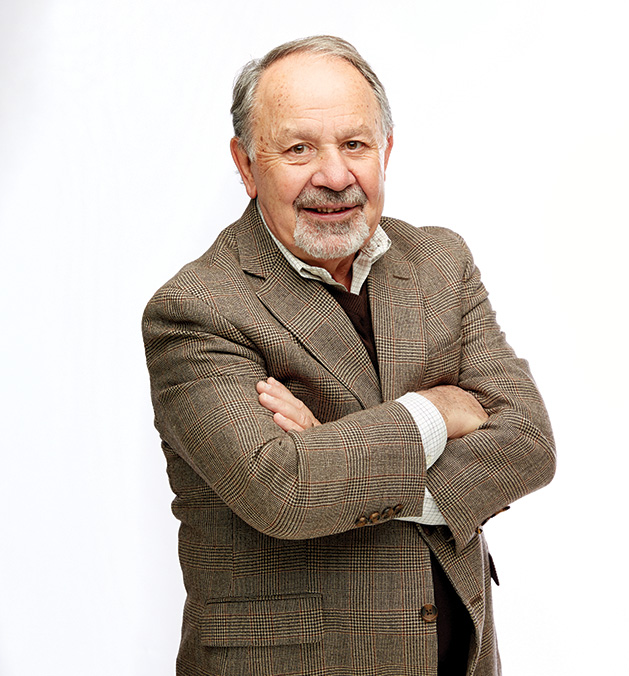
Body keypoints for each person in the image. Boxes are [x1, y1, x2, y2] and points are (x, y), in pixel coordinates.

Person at [142, 35, 555, 676]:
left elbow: (529, 441)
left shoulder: (442, 263)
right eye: (299, 148)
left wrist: (335, 450)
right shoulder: (195, 309)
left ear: (385, 150)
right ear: (246, 164)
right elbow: (286, 489)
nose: (335, 176)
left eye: (355, 144)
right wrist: (435, 411)